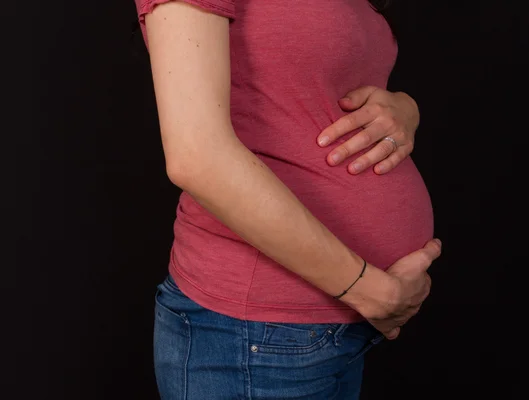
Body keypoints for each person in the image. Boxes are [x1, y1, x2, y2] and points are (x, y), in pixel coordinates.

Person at [133, 0, 442, 398]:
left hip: (326, 329)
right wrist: (365, 288)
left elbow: (308, 91)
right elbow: (197, 155)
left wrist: (404, 109)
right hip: (254, 335)